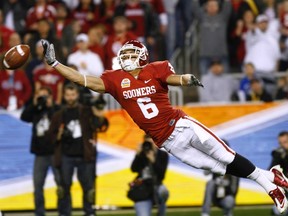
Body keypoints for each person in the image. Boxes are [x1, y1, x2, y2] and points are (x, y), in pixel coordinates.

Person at [41, 39, 288, 214]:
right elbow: (84, 80)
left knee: (224, 154)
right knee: (213, 166)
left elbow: (172, 78)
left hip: (180, 125)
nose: (126, 58)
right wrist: (55, 64)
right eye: (124, 55)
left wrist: (185, 79)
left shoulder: (156, 68)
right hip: (166, 142)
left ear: (142, 56)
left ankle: (268, 185)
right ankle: (271, 176)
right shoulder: (114, 80)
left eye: (130, 54)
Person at [49, 83, 109, 216]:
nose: (70, 98)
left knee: (88, 189)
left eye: (73, 94)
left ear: (77, 95)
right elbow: (51, 136)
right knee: (64, 188)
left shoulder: (86, 111)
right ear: (64, 96)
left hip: (84, 155)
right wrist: (58, 134)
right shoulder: (59, 114)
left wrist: (99, 116)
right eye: (68, 95)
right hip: (65, 155)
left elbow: (100, 127)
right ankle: (65, 213)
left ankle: (89, 212)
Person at [20, 86, 61, 216]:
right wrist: (34, 103)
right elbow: (24, 117)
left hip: (55, 152)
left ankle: (63, 212)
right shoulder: (36, 110)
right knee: (38, 187)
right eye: (40, 95)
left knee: (61, 185)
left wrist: (50, 105)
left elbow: (60, 118)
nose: (43, 99)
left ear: (51, 96)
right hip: (40, 154)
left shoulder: (56, 109)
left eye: (45, 96)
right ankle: (39, 213)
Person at [130, 134, 169, 216]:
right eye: (148, 143)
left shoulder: (162, 155)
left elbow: (161, 175)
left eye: (152, 143)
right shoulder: (141, 154)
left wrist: (153, 160)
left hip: (157, 185)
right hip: (143, 188)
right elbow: (133, 169)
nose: (150, 146)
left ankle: (161, 213)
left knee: (163, 191)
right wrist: (137, 155)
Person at [202, 140, 239, 216]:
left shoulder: (232, 164)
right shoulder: (214, 162)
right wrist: (210, 161)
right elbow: (205, 173)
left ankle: (228, 213)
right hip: (214, 195)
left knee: (229, 200)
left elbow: (234, 187)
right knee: (210, 183)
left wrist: (225, 186)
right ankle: (205, 213)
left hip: (226, 197)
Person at [270, 131, 288, 216]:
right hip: (285, 192)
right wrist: (277, 156)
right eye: (280, 143)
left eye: (285, 142)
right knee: (278, 212)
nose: (282, 145)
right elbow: (271, 171)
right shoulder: (279, 154)